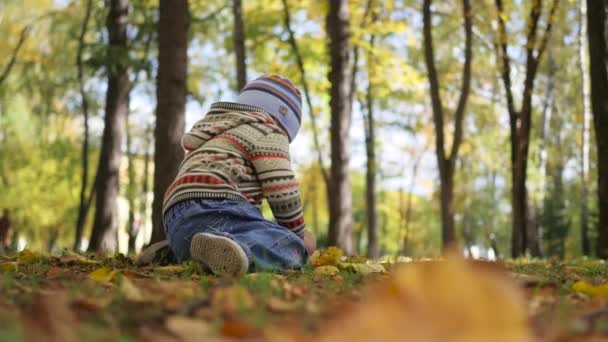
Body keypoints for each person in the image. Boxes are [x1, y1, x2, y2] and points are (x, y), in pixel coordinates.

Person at [158, 75, 315, 275]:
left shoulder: (217, 133)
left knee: (227, 232)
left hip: (174, 213)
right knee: (290, 247)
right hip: (216, 204)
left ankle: (174, 250)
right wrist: (297, 235)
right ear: (284, 123)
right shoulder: (268, 130)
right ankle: (240, 248)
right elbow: (281, 188)